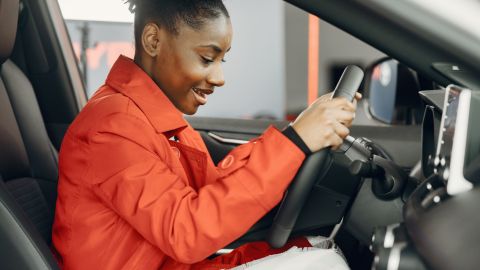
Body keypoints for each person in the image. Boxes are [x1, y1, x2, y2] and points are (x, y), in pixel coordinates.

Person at [51, 0, 360, 269]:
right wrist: (295, 143)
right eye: (206, 58)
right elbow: (188, 232)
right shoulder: (111, 127)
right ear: (153, 40)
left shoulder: (152, 120)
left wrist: (297, 137)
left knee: (317, 249)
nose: (219, 77)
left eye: (221, 60)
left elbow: (214, 190)